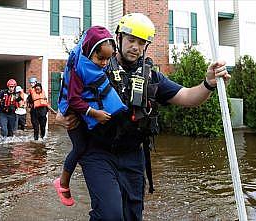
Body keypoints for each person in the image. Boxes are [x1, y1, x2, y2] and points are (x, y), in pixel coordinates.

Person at [55, 13, 230, 221]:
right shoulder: (96, 64)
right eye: (131, 40)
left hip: (132, 155)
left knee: (131, 216)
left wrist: (208, 83)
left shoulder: (152, 77)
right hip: (97, 151)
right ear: (118, 38)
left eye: (141, 42)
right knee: (110, 215)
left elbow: (188, 97)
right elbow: (69, 91)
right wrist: (60, 116)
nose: (135, 47)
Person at [54, 26, 127, 207]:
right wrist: (95, 113)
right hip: (73, 113)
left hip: (90, 118)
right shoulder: (79, 69)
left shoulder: (96, 63)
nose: (104, 63)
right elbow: (73, 100)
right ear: (89, 52)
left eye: (107, 59)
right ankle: (62, 183)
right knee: (80, 147)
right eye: (100, 58)